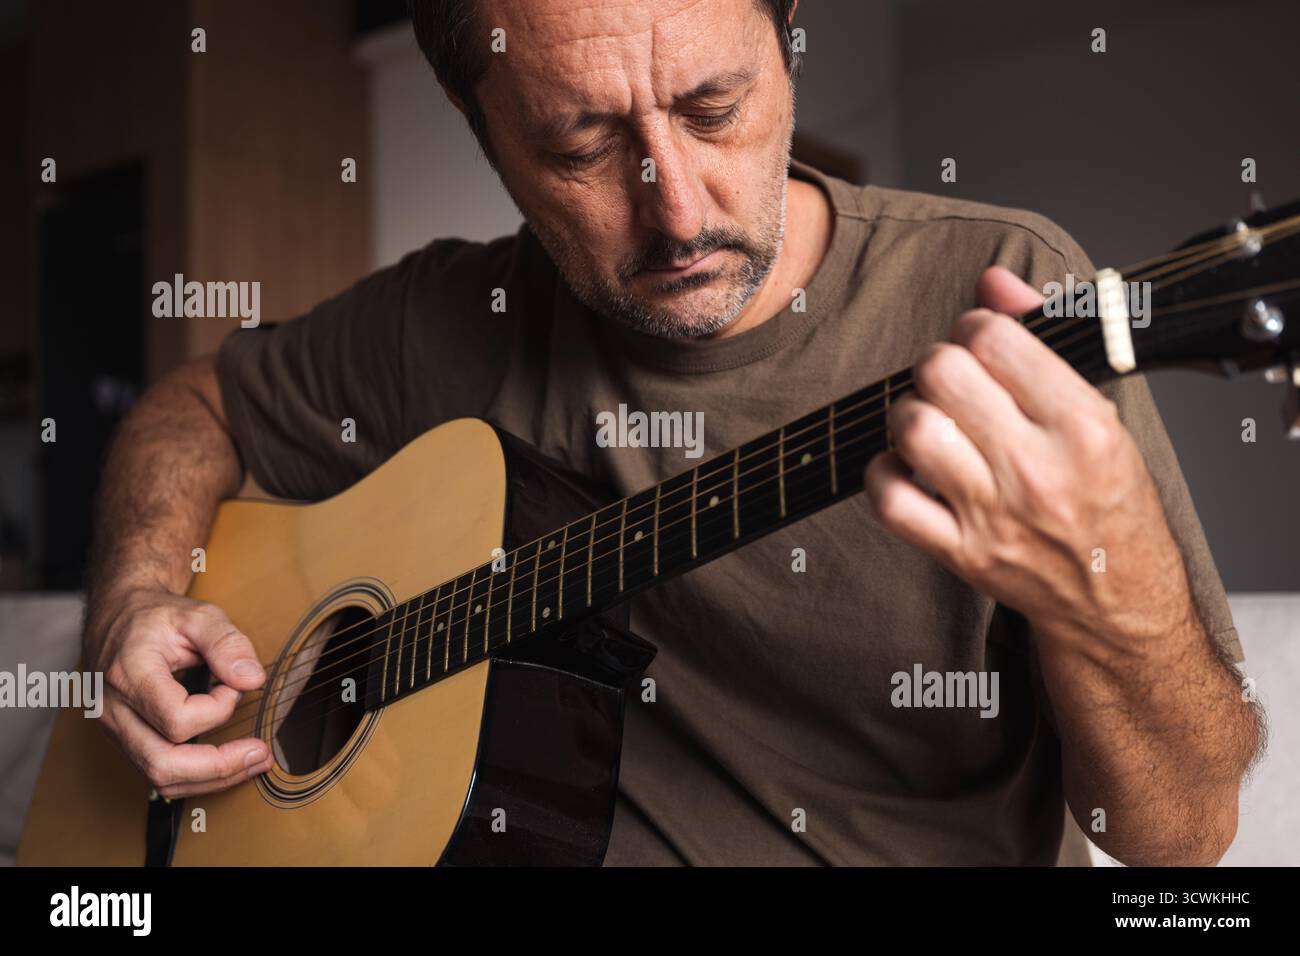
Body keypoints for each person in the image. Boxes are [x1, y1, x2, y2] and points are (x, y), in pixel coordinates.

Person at [83, 0, 1260, 865]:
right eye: (580, 147)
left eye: (716, 108)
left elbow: (1179, 840)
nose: (679, 209)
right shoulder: (438, 322)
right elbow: (196, 403)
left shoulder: (1002, 290)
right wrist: (135, 595)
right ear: (477, 121)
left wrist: (1105, 592)